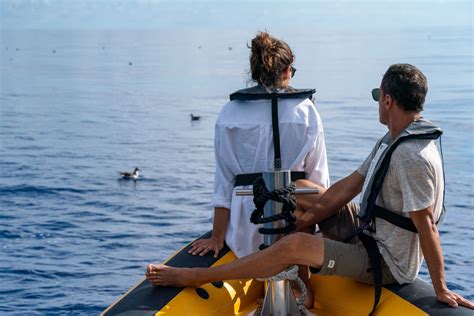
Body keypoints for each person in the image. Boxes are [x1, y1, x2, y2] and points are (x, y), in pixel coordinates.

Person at [146, 64, 473, 311]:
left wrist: (440, 287)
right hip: (371, 228)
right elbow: (346, 188)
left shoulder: (411, 156)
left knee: (293, 245)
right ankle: (303, 277)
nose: (377, 104)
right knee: (299, 189)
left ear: (387, 100)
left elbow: (425, 223)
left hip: (386, 260)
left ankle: (194, 277)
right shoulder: (393, 138)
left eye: (377, 97)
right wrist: (300, 222)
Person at [184, 31, 329, 307]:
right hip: (293, 228)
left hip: (245, 232)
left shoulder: (229, 113)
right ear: (287, 71)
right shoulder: (307, 111)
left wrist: (217, 237)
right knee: (305, 198)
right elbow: (319, 182)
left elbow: (224, 182)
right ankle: (303, 282)